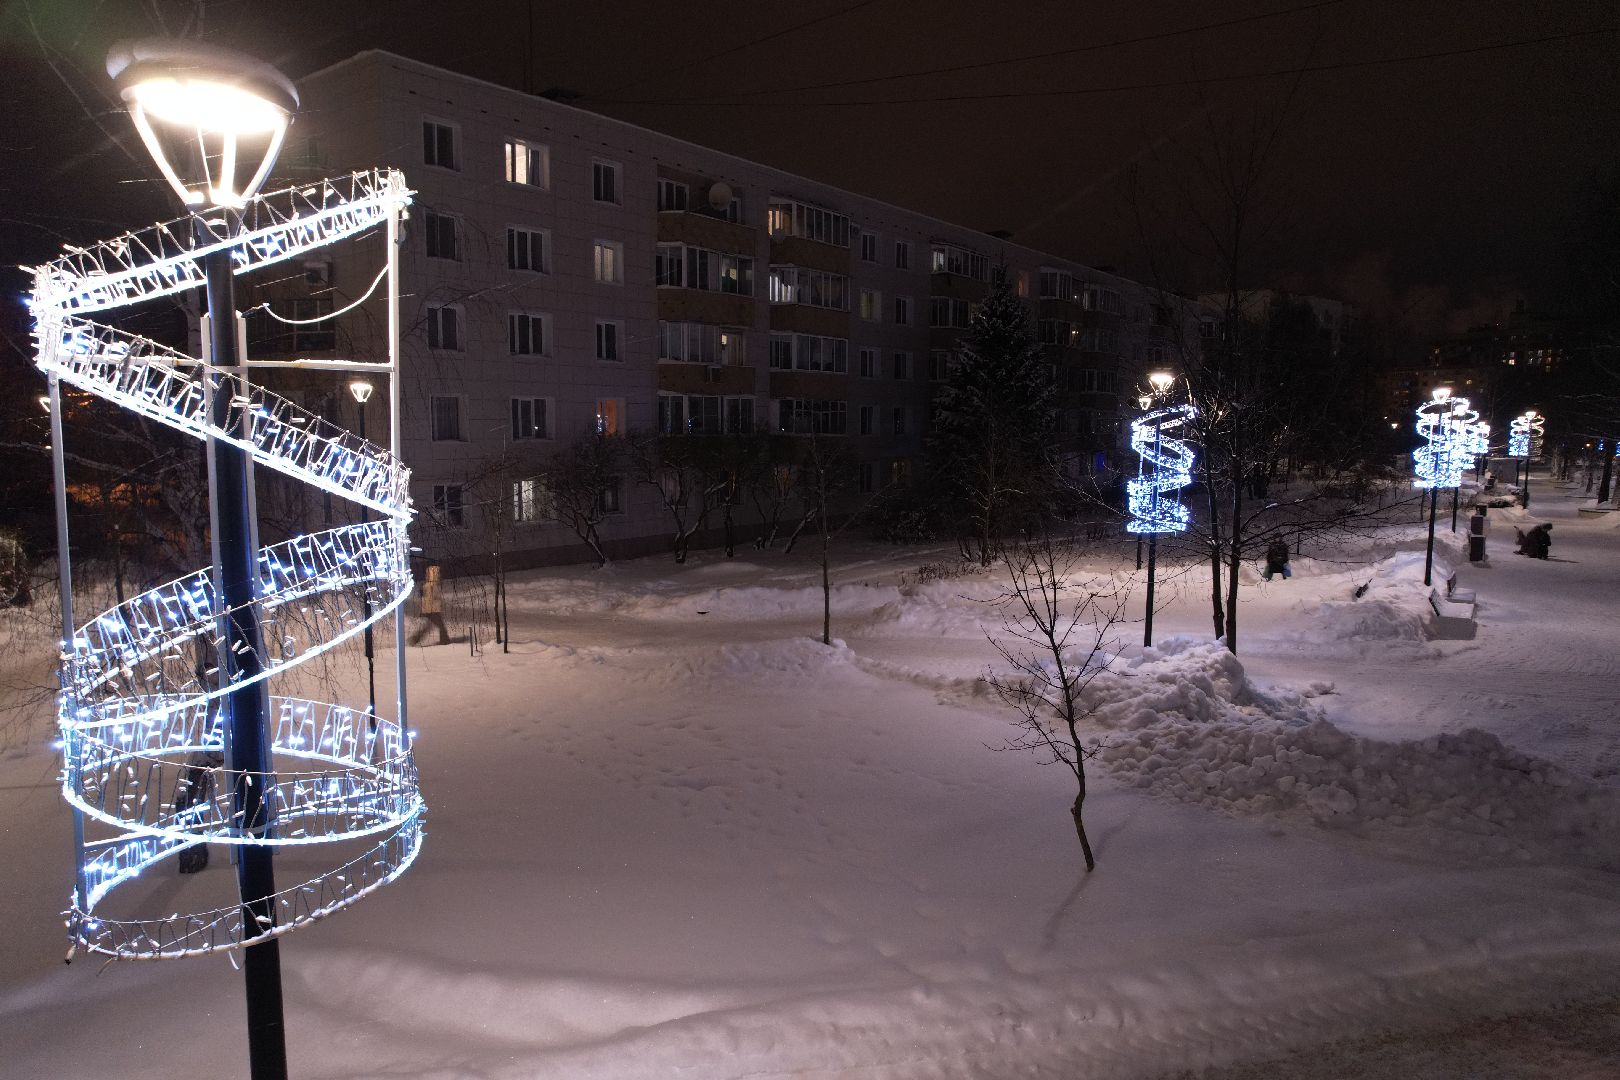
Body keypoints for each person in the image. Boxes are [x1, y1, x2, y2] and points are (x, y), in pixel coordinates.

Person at [409, 563, 452, 645]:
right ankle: (445, 641)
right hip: (432, 610)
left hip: (431, 610)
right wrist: (432, 609)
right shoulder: (431, 586)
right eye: (437, 574)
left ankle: (415, 639)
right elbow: (430, 599)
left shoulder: (431, 585)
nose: (439, 576)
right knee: (441, 626)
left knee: (428, 627)